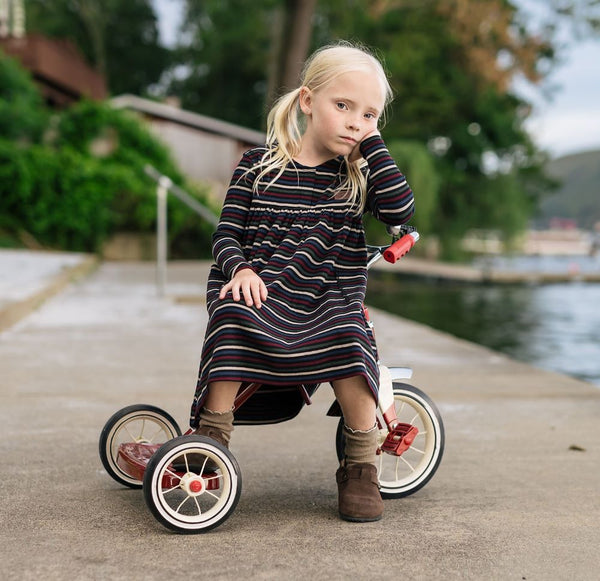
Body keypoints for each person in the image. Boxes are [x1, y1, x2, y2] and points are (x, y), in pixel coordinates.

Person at [189, 41, 414, 522]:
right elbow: (226, 235)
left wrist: (371, 145)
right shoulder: (256, 166)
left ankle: (359, 466)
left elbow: (401, 211)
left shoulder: (355, 177)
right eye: (344, 106)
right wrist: (241, 270)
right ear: (308, 101)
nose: (356, 121)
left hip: (326, 298)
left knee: (352, 337)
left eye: (370, 114)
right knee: (230, 313)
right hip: (264, 292)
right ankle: (212, 441)